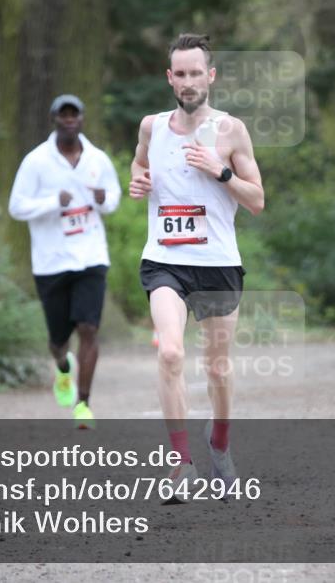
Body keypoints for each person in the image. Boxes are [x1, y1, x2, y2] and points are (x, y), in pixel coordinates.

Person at [129, 34, 264, 501]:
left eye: (195, 73)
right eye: (180, 74)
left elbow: (257, 201)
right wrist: (138, 181)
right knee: (170, 353)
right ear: (170, 78)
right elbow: (139, 166)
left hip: (217, 263)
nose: (188, 82)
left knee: (218, 369)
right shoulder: (152, 127)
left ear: (210, 76)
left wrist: (220, 171)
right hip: (165, 259)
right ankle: (181, 464)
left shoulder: (231, 131)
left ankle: (219, 444)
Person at [8, 94, 121, 429]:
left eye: (74, 115)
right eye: (63, 115)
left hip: (91, 256)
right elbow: (16, 207)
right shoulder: (36, 162)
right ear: (54, 119)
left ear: (82, 119)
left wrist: (103, 199)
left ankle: (83, 404)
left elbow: (113, 197)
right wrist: (52, 201)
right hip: (51, 260)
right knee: (59, 340)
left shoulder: (98, 159)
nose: (69, 120)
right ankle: (62, 367)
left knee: (89, 328)